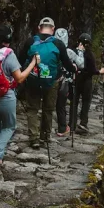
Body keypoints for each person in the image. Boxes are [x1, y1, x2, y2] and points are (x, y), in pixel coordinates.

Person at [0, 24, 40, 170]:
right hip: (5, 96)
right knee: (10, 126)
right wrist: (33, 63)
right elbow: (19, 78)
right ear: (7, 40)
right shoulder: (8, 54)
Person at [19, 17, 78, 148]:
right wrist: (74, 68)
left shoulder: (30, 42)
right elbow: (67, 64)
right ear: (53, 29)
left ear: (39, 28)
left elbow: (20, 60)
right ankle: (45, 136)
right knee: (48, 109)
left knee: (33, 109)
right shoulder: (58, 44)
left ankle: (33, 138)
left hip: (33, 80)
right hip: (52, 81)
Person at [53, 28, 85, 137]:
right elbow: (81, 64)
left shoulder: (50, 49)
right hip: (66, 82)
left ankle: (45, 130)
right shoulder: (69, 52)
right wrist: (80, 51)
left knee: (49, 106)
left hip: (51, 80)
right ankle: (63, 127)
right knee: (61, 105)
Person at [73, 33, 103, 134]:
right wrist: (100, 72)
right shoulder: (90, 54)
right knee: (86, 102)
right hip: (87, 81)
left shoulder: (73, 52)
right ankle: (83, 123)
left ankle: (71, 123)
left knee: (75, 101)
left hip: (76, 79)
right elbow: (93, 70)